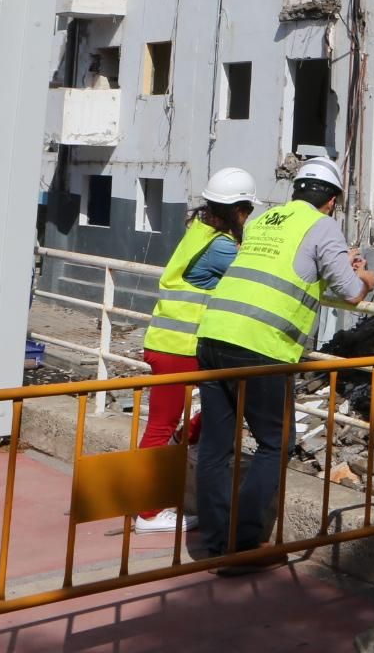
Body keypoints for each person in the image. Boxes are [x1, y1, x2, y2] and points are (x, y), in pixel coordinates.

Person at [191, 157, 374, 571]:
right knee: (276, 442)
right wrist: (367, 276)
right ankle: (243, 546)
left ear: (296, 192)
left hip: (214, 333)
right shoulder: (323, 226)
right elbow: (349, 293)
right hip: (261, 345)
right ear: (331, 202)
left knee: (217, 446)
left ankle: (216, 541)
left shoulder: (264, 220)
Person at [132, 167, 258, 534]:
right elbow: (254, 275)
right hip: (179, 348)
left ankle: (183, 443)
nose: (248, 217)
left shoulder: (200, 232)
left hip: (175, 346)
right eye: (247, 210)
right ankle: (149, 512)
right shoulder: (219, 246)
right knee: (160, 426)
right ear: (236, 209)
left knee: (226, 405)